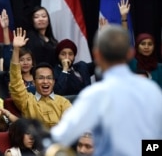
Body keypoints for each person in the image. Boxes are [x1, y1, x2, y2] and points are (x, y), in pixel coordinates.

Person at [50, 25, 162, 156]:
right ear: (130, 53)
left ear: (97, 55)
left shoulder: (95, 95)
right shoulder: (152, 90)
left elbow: (59, 138)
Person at [9, 27, 71, 129]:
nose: (45, 81)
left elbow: (69, 126)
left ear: (54, 81)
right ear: (34, 82)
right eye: (41, 78)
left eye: (49, 78)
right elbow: (15, 82)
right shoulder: (27, 101)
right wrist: (16, 50)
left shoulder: (63, 102)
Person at [118, 0, 162, 88]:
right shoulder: (132, 63)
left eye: (150, 44)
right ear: (137, 46)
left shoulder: (160, 68)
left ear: (154, 47)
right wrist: (124, 18)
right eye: (143, 44)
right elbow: (124, 43)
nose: (146, 47)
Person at [0, 9, 36, 94]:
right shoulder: (14, 78)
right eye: (21, 60)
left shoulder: (39, 77)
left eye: (28, 59)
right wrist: (5, 29)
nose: (25, 63)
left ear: (33, 62)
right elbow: (7, 54)